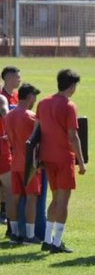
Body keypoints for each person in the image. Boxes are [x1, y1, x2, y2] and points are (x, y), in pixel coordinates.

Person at [36, 69, 86, 253]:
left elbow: (36, 131)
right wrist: (81, 162)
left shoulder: (43, 103)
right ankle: (57, 243)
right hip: (64, 159)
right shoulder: (69, 105)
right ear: (72, 86)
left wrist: (38, 157)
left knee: (55, 198)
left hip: (47, 157)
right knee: (63, 201)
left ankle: (47, 239)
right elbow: (73, 136)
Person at [4, 83, 40, 244]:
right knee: (32, 198)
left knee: (14, 197)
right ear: (30, 97)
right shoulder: (31, 116)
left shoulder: (9, 116)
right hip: (30, 163)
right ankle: (30, 235)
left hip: (15, 162)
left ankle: (14, 233)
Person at [0, 66, 20, 228]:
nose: (19, 79)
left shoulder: (17, 96)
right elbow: (7, 115)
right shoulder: (2, 97)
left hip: (10, 144)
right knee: (11, 186)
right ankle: (11, 227)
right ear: (8, 78)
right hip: (3, 145)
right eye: (16, 77)